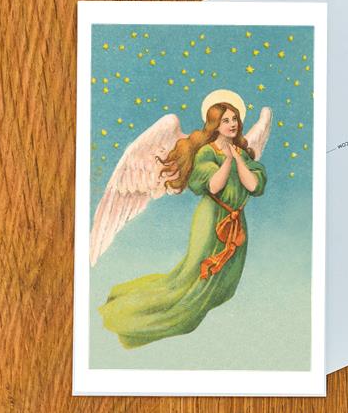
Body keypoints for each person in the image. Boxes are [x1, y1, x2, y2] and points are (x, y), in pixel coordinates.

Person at [99, 101, 267, 348]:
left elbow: (253, 185)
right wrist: (228, 161)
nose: (232, 124)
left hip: (236, 223)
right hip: (211, 221)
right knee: (190, 280)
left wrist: (238, 159)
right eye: (225, 120)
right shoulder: (206, 153)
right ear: (215, 125)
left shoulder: (243, 154)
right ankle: (133, 317)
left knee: (226, 283)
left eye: (234, 119)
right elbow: (213, 186)